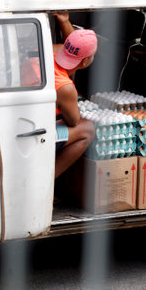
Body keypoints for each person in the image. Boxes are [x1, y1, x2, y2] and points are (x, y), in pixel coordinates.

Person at [53, 13, 97, 178]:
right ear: (85, 62)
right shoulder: (66, 87)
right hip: (35, 132)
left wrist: (64, 21)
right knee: (87, 129)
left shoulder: (46, 51)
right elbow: (73, 120)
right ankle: (48, 183)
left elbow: (69, 44)